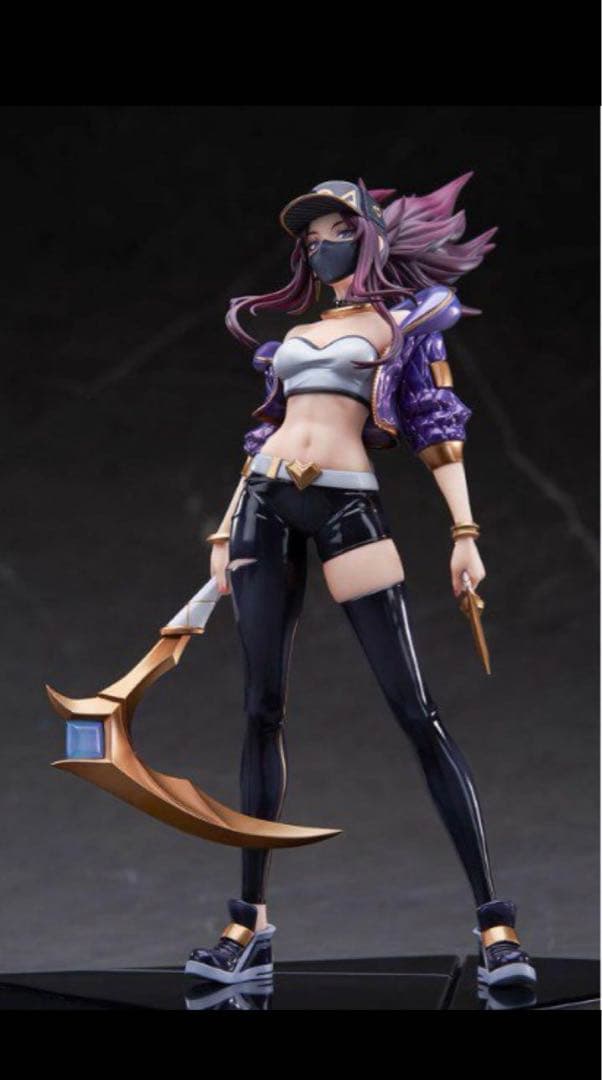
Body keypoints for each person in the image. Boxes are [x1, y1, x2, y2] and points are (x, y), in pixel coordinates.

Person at [185, 176, 537, 991]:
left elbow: (437, 426)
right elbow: (267, 432)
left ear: (370, 237)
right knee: (260, 708)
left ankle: (496, 926)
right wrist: (224, 530)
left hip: (347, 507)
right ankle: (248, 924)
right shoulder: (300, 333)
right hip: (264, 507)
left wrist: (465, 533)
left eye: (335, 231)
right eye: (310, 238)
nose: (320, 247)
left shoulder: (406, 326)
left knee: (416, 710)